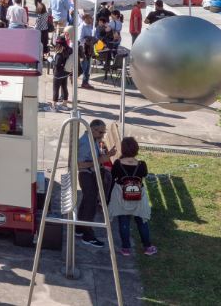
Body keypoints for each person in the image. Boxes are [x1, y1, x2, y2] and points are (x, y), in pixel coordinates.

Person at [109, 136, 157, 257]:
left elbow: (113, 176)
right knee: (142, 221)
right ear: (136, 149)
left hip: (121, 195)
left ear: (123, 149)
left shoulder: (117, 163)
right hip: (138, 196)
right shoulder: (142, 164)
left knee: (123, 220)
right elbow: (144, 175)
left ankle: (126, 248)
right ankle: (147, 246)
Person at [76, 119, 116, 248]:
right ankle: (87, 236)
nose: (103, 135)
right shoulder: (86, 143)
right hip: (86, 175)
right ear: (92, 130)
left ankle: (79, 228)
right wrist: (101, 160)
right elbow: (80, 164)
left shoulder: (92, 139)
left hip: (89, 174)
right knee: (90, 204)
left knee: (86, 201)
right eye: (101, 132)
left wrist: (106, 155)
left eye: (104, 132)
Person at [51, 37, 73, 112]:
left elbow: (57, 65)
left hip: (58, 74)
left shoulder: (59, 54)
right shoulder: (69, 50)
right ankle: (64, 105)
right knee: (64, 88)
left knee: (55, 89)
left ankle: (54, 106)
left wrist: (50, 59)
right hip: (65, 73)